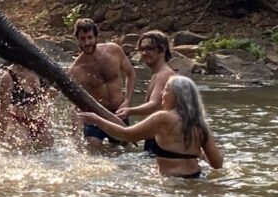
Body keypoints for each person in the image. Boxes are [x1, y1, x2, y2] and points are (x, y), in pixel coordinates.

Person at [78, 75, 223, 178]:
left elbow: (126, 134)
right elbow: (217, 163)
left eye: (166, 90)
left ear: (177, 96)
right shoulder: (201, 125)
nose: (162, 94)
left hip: (172, 183)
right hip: (197, 178)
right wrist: (199, 153)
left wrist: (97, 119)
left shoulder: (162, 118)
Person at [68, 18, 136, 147]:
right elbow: (75, 102)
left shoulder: (114, 50)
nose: (87, 42)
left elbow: (130, 74)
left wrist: (128, 101)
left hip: (118, 112)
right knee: (93, 147)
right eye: (82, 39)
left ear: (96, 37)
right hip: (95, 114)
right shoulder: (76, 69)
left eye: (90, 37)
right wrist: (74, 133)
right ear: (77, 39)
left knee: (121, 150)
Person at [116, 30, 176, 153]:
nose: (144, 53)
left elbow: (154, 105)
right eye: (141, 49)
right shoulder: (157, 75)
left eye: (149, 49)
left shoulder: (164, 75)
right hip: (155, 135)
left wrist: (129, 111)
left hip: (162, 137)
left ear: (162, 50)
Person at [0, 64, 56, 149]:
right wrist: (1, 138)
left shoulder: (42, 70)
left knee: (49, 152)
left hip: (41, 121)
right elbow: (3, 109)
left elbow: (48, 99)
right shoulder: (9, 76)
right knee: (20, 151)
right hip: (18, 121)